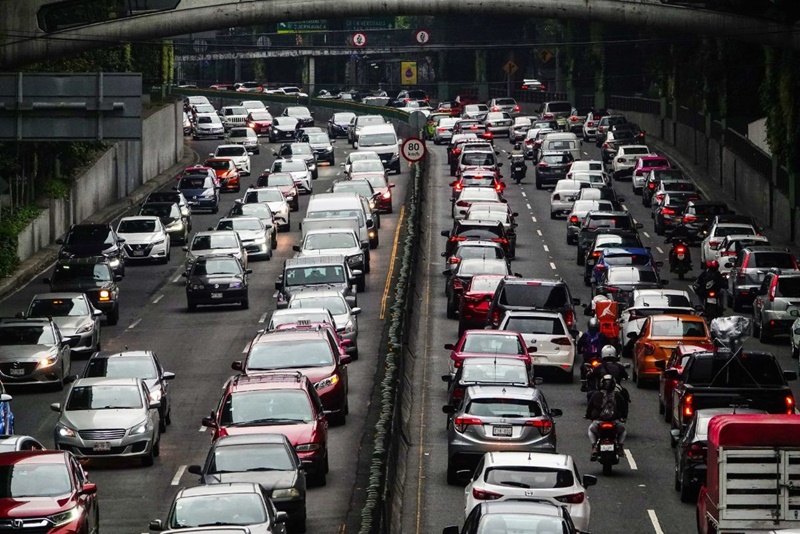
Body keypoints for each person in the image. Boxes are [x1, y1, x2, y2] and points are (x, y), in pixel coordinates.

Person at [586, 375, 628, 458]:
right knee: (623, 431)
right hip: (614, 422)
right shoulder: (617, 395)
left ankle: (594, 447)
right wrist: (623, 416)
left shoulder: (596, 394)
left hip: (599, 421)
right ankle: (620, 446)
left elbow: (590, 406)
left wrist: (588, 415)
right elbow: (623, 407)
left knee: (591, 430)